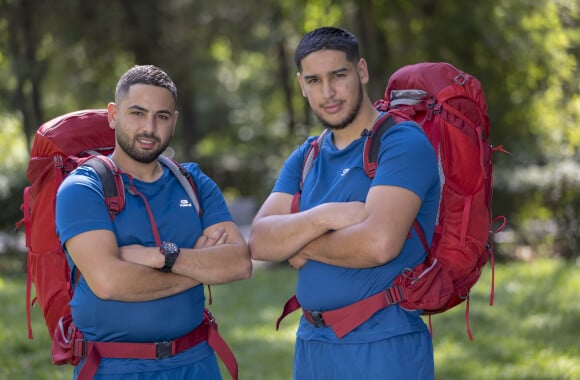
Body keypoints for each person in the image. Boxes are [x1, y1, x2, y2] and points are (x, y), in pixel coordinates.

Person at [249, 27, 440, 379]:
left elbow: (379, 244)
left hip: (382, 346)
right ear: (301, 85)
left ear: (361, 71)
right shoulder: (307, 155)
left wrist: (301, 244)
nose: (328, 93)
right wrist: (326, 215)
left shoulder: (401, 143)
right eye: (314, 80)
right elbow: (260, 240)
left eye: (338, 75)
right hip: (312, 345)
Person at [55, 65, 252, 379]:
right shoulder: (83, 188)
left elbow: (239, 263)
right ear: (113, 115)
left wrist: (161, 257)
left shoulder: (193, 182)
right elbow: (109, 282)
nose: (149, 127)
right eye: (137, 113)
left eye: (161, 116)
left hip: (196, 363)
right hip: (116, 368)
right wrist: (200, 268)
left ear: (173, 120)